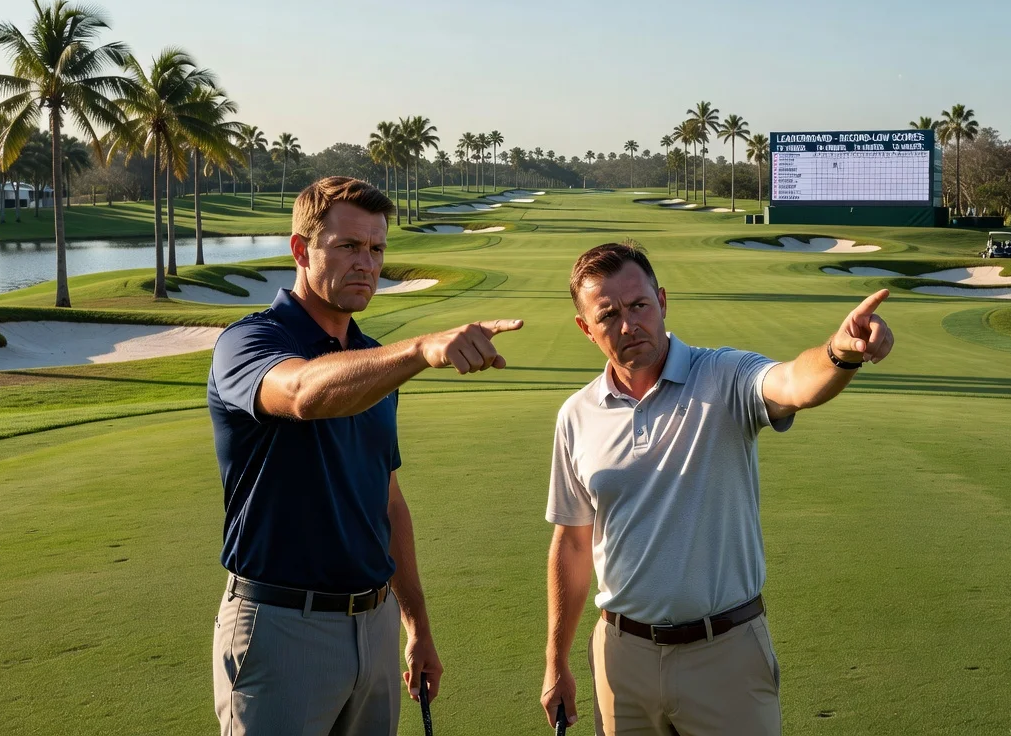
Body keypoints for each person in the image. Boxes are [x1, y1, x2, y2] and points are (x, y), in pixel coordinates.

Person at [208, 176, 522, 735]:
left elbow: (387, 499)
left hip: (374, 628)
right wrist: (423, 348)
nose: (367, 263)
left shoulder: (375, 360)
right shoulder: (249, 342)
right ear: (301, 250)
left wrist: (416, 624)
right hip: (281, 626)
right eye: (348, 246)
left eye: (377, 249)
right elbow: (304, 394)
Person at [541, 242, 894, 735]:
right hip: (621, 660)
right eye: (608, 314)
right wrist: (556, 660)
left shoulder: (724, 375)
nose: (628, 324)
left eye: (639, 305)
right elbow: (573, 542)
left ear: (662, 301)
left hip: (725, 655)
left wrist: (839, 353)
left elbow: (793, 383)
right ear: (586, 328)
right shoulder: (576, 416)